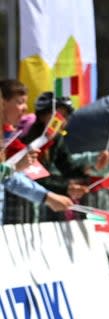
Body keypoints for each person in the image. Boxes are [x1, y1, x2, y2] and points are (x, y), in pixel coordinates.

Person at [1, 79, 74, 223]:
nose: (24, 108)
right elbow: (8, 173)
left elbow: (9, 177)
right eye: (19, 101)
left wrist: (48, 197)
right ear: (2, 102)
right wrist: (14, 167)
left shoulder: (8, 136)